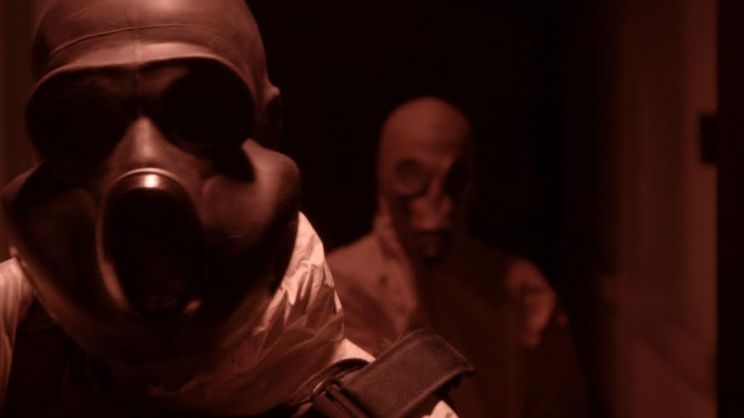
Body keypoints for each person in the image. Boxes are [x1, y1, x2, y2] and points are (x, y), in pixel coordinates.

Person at [0, 2, 468, 416]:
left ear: (268, 126)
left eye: (199, 111)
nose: (145, 171)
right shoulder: (15, 327)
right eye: (83, 122)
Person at [329, 97, 589, 418]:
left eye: (453, 178)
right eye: (412, 176)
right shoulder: (339, 288)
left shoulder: (527, 296)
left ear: (471, 186)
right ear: (384, 180)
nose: (438, 200)